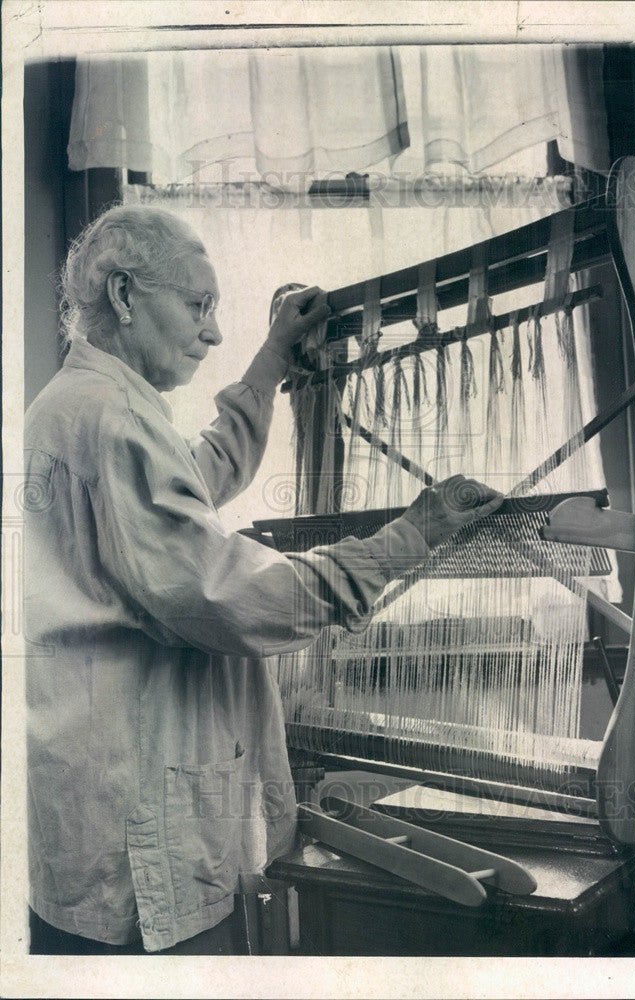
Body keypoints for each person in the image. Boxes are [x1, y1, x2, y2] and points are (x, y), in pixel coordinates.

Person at [24, 205, 502, 954]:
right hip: (134, 842)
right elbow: (229, 600)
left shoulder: (72, 406)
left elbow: (198, 473)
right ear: (123, 295)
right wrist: (412, 537)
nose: (212, 332)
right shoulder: (111, 418)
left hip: (84, 816)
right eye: (198, 305)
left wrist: (272, 359)